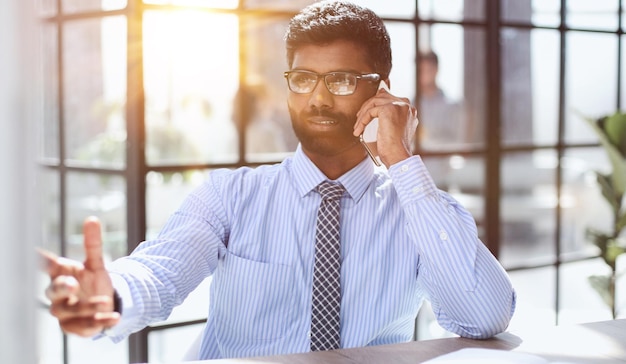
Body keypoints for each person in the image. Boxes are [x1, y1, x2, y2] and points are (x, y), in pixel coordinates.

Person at [41, 1, 516, 360]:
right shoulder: (231, 195)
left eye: (343, 80)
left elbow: (484, 317)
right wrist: (111, 294)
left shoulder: (419, 210)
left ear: (381, 90)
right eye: (303, 78)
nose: (318, 99)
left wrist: (402, 162)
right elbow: (161, 271)